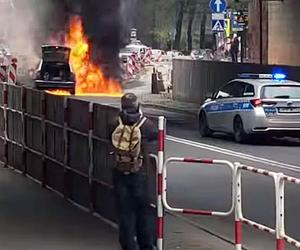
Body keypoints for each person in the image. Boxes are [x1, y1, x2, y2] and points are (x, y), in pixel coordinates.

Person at [111, 93, 158, 250]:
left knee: (125, 213)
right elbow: (156, 135)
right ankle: (146, 245)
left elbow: (107, 135)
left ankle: (128, 246)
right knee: (144, 211)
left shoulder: (114, 123)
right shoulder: (146, 125)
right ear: (137, 106)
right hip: (140, 173)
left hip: (119, 173)